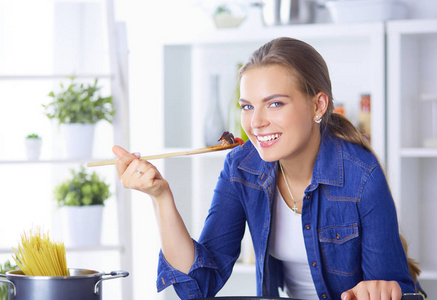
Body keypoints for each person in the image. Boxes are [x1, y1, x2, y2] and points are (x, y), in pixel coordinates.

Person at [112, 37, 418, 300]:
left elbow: (393, 289)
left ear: (318, 106)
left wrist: (380, 290)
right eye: (247, 106)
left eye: (275, 104)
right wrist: (161, 197)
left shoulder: (361, 174)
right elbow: (198, 285)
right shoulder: (242, 167)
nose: (255, 123)